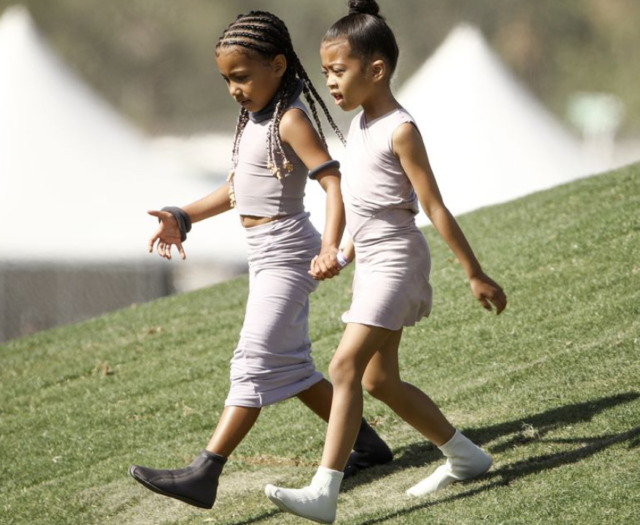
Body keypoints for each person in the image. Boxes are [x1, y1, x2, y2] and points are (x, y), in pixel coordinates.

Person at [128, 10, 392, 511]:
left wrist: (329, 246)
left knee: (252, 361)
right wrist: (183, 215)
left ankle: (206, 471)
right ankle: (367, 442)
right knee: (289, 365)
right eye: (227, 79)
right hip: (266, 255)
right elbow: (237, 189)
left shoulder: (291, 118)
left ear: (277, 65)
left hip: (290, 255)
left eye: (242, 76)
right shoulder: (255, 118)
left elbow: (332, 182)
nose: (233, 88)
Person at [264, 1, 508, 523]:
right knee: (378, 380)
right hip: (373, 260)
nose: (329, 81)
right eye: (325, 71)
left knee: (343, 366)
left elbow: (433, 206)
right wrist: (341, 252)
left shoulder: (400, 128)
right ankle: (465, 455)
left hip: (399, 259)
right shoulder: (357, 129)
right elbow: (363, 207)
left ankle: (323, 491)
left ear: (376, 70)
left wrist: (474, 272)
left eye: (338, 70)